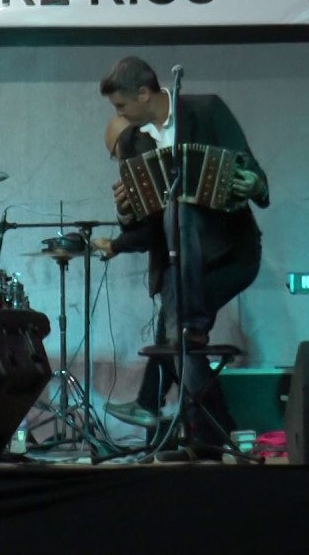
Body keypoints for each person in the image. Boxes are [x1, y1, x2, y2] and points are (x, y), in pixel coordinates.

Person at [92, 56, 268, 456]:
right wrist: (125, 211)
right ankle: (212, 433)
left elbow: (251, 170)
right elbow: (146, 224)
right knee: (181, 336)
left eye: (121, 105)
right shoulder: (133, 142)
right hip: (177, 262)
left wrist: (251, 184)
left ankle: (157, 408)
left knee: (177, 329)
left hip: (230, 254)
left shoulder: (207, 110)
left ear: (144, 93)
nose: (119, 115)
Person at [99, 113, 177, 430]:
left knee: (176, 347)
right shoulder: (147, 170)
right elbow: (144, 226)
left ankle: (216, 426)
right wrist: (124, 212)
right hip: (176, 270)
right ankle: (148, 405)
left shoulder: (152, 168)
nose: (120, 163)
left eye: (118, 153)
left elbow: (151, 233)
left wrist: (115, 245)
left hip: (183, 269)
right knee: (170, 344)